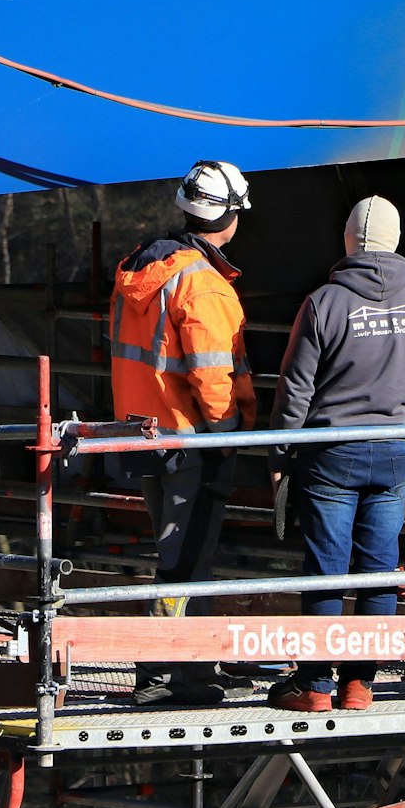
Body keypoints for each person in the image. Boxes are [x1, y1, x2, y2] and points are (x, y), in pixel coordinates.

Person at [263, 197, 405, 713]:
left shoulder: (323, 303)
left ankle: (316, 686)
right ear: (396, 239)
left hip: (330, 454)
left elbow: (295, 391)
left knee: (327, 571)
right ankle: (360, 684)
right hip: (394, 454)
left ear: (348, 241)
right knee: (378, 569)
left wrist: (279, 452)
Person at [109, 160, 258, 706]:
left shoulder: (143, 269)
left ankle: (196, 662)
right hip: (191, 440)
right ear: (232, 216)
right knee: (185, 558)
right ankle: (165, 671)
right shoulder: (204, 286)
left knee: (180, 549)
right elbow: (213, 376)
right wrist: (229, 436)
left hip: (142, 433)